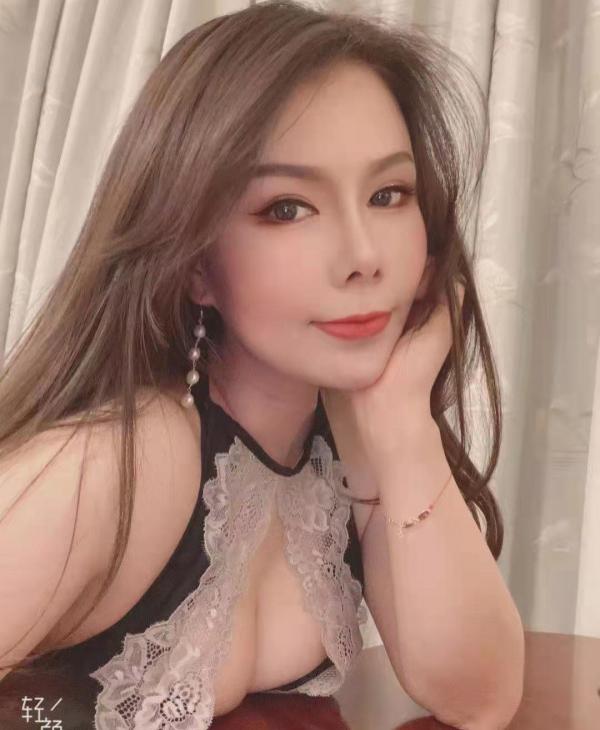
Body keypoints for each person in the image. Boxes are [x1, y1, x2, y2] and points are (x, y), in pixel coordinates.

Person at [0, 1, 523, 728]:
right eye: (286, 208)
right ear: (194, 262)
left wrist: (400, 421)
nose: (364, 256)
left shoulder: (341, 450)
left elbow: (480, 698)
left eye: (387, 195)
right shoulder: (126, 456)